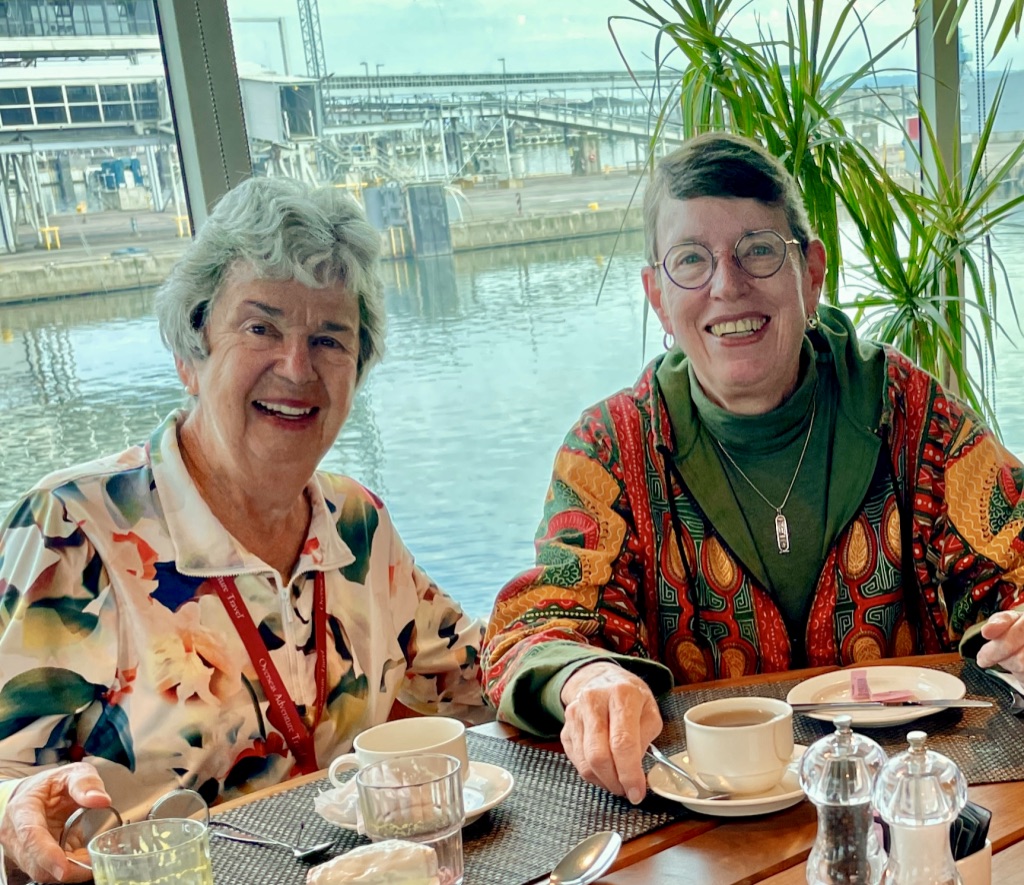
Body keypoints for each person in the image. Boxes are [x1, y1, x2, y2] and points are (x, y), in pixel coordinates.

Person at [482, 131, 1024, 806]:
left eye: (759, 250)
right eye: (691, 259)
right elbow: (538, 624)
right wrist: (587, 679)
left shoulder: (908, 410)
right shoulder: (612, 448)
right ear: (657, 297)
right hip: (703, 821)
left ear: (812, 271)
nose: (727, 285)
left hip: (905, 805)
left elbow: (1013, 559)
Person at [0, 177, 487, 883]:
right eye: (261, 328)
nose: (297, 367)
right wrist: (13, 804)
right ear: (190, 352)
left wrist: (577, 670)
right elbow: (8, 779)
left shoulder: (355, 522)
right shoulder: (74, 528)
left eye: (329, 338)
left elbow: (471, 675)